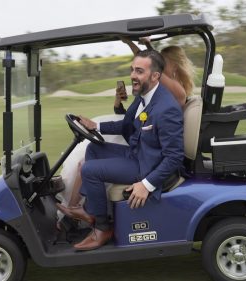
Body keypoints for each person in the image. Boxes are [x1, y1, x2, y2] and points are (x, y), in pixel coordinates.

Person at [57, 50, 184, 251]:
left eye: (139, 71)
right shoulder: (143, 97)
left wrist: (147, 184)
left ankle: (102, 228)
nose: (133, 75)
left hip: (147, 167)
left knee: (90, 170)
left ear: (155, 76)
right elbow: (126, 126)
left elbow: (174, 157)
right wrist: (96, 127)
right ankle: (90, 210)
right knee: (93, 148)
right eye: (132, 70)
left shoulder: (166, 108)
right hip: (137, 154)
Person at [115, 38, 196, 113]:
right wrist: (147, 43)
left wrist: (129, 42)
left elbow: (147, 61)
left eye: (163, 62)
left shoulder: (176, 88)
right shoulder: (169, 83)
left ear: (175, 66)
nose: (160, 64)